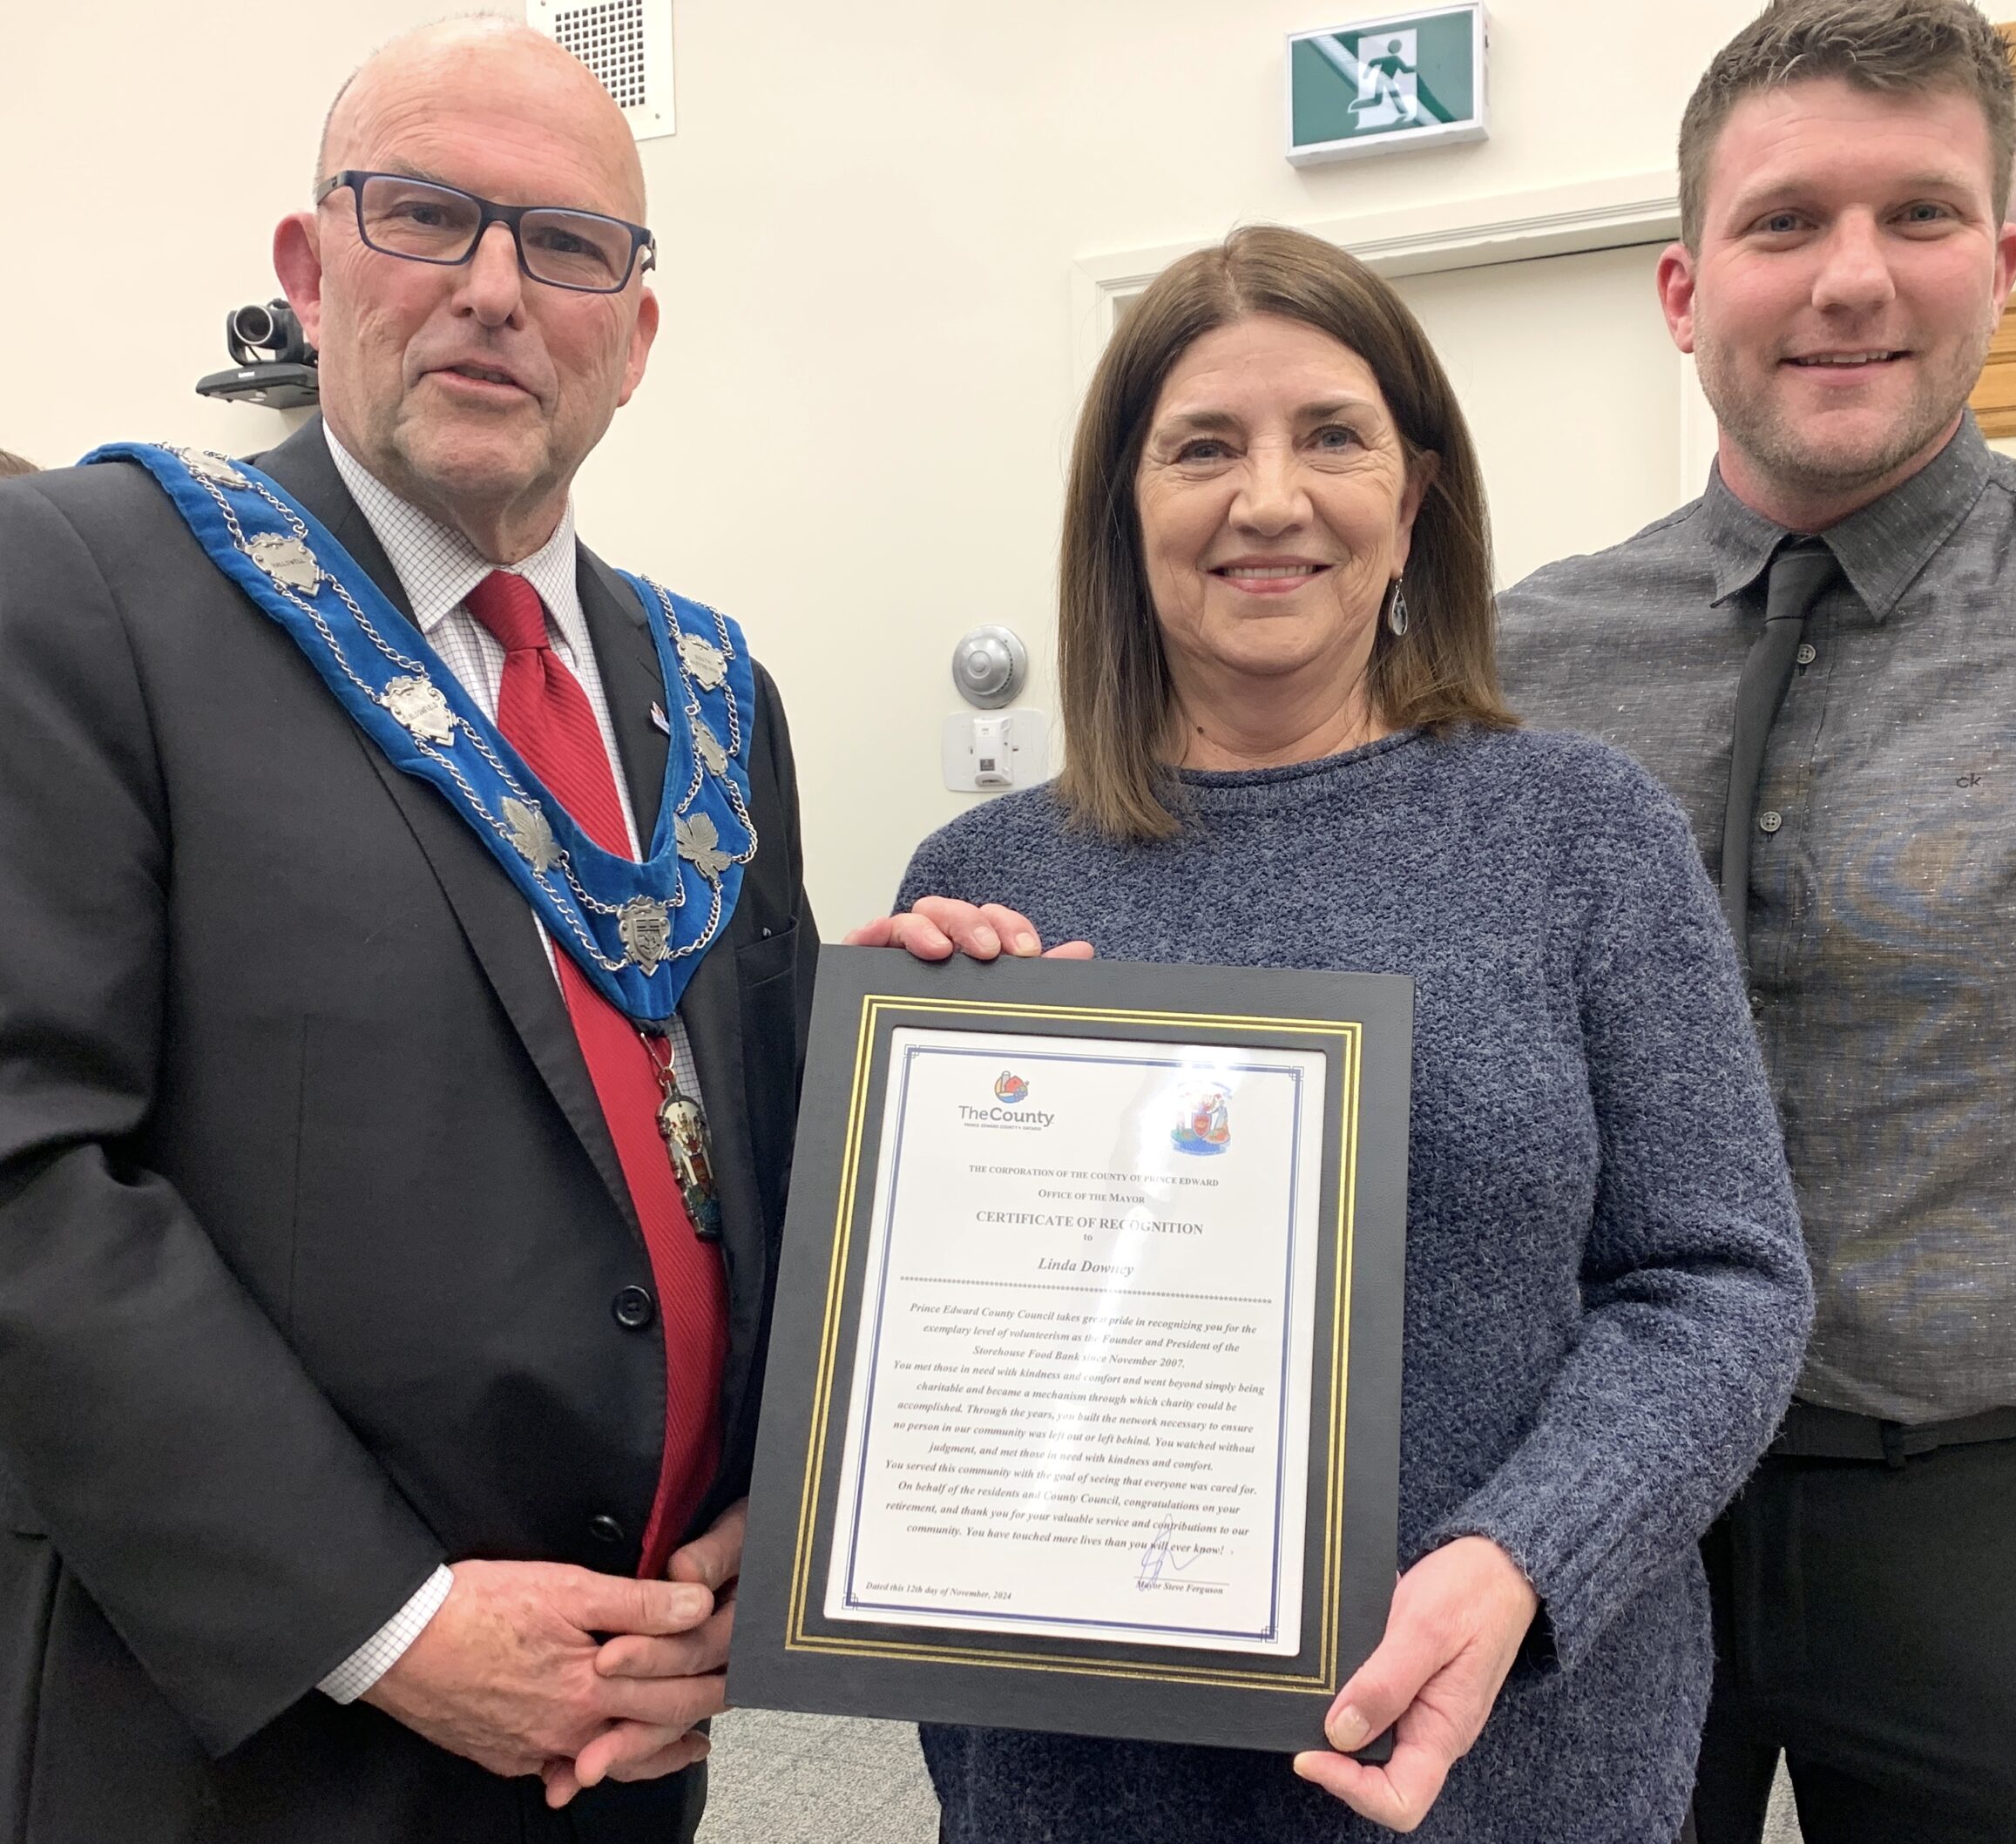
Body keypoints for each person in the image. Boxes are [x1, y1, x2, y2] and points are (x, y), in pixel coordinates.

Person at [846, 223, 1813, 1843]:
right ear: (1125, 508)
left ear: (1415, 495)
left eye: (1334, 437)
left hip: (1516, 1766)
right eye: (1204, 447)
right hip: (1085, 1790)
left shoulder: (1580, 835)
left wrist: (1523, 1557)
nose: (1270, 498)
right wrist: (890, 1106)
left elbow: (1724, 1278)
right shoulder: (984, 881)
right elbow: (928, 1367)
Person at [0, 20, 815, 1842]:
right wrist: (393, 1625)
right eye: (425, 216)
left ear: (636, 332)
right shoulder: (82, 591)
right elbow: (22, 1165)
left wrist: (784, 1508)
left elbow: (758, 1149)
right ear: (307, 270)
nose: (494, 291)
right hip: (254, 1739)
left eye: (568, 246)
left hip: (624, 1733)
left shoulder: (709, 692)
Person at [1492, 3, 2016, 1840]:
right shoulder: (1515, 658)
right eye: (1784, 221)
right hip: (1596, 1513)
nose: (1849, 281)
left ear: (2005, 265)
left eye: (1920, 216)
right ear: (1678, 284)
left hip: (2004, 1532)